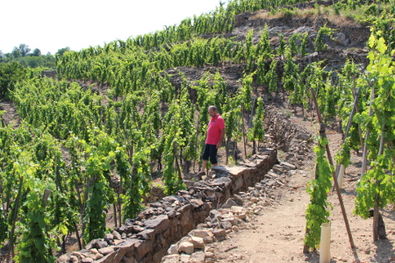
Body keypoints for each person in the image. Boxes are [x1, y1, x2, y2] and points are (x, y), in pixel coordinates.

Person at [200, 105, 225, 175]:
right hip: (208, 141)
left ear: (215, 111)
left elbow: (222, 131)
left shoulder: (220, 119)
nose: (209, 113)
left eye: (211, 112)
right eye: (209, 112)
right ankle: (202, 171)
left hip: (214, 142)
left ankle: (216, 171)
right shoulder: (211, 119)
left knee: (212, 157)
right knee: (205, 156)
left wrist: (220, 141)